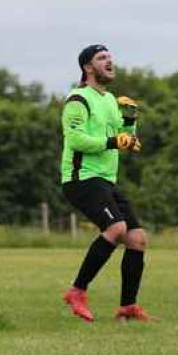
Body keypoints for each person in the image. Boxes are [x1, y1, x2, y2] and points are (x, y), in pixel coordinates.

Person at [61, 44, 151, 323]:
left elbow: (124, 138)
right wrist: (113, 141)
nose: (109, 61)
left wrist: (130, 123)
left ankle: (128, 307)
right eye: (102, 58)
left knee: (137, 239)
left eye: (110, 57)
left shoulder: (111, 99)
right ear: (88, 68)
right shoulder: (78, 98)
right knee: (116, 228)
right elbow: (75, 140)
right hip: (81, 178)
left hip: (106, 180)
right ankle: (77, 291)